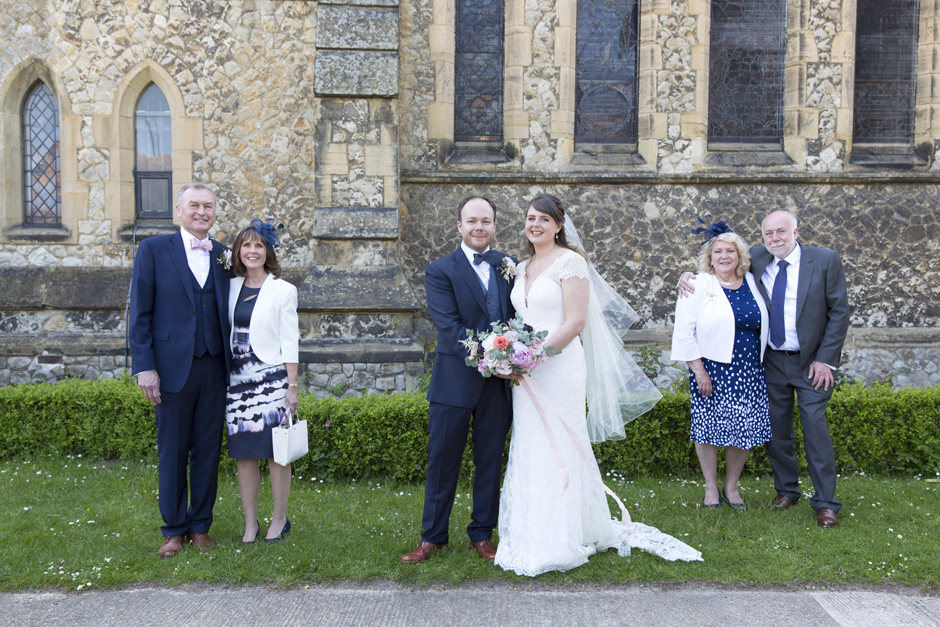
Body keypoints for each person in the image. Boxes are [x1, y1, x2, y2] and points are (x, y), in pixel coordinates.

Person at [494, 194, 701, 577]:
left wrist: (531, 358)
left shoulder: (571, 263)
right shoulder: (520, 266)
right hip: (527, 372)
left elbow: (574, 323)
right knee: (531, 443)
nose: (535, 224)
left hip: (557, 367)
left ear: (559, 226)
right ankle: (533, 532)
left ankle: (566, 535)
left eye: (544, 219)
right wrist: (508, 354)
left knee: (562, 442)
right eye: (529, 218)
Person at [678, 210, 849, 527]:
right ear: (762, 238)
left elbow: (839, 313)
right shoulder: (758, 257)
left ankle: (826, 503)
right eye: (769, 234)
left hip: (811, 363)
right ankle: (787, 491)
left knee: (814, 427)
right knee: (777, 431)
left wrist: (825, 359)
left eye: (782, 232)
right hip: (771, 361)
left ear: (796, 232)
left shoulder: (825, 260)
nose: (775, 239)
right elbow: (719, 262)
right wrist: (686, 275)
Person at [401, 195, 515, 563]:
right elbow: (449, 327)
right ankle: (432, 536)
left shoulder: (509, 266)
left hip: (498, 385)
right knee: (442, 461)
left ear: (495, 226)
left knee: (490, 460)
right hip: (454, 381)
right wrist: (489, 357)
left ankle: (482, 535)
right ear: (459, 226)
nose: (479, 227)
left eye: (486, 221)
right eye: (472, 221)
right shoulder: (440, 270)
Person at [129, 183, 232, 559]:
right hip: (171, 368)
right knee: (172, 450)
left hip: (215, 367)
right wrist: (145, 368)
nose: (201, 211)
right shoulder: (154, 250)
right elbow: (139, 314)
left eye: (208, 206)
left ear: (214, 211)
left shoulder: (224, 254)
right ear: (179, 210)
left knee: (207, 449)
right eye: (194, 205)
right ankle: (173, 529)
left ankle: (200, 525)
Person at [670, 224, 770, 510]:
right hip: (712, 370)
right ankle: (711, 488)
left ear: (740, 257)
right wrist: (698, 370)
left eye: (731, 251)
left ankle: (731, 486)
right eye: (718, 251)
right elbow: (684, 330)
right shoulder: (698, 283)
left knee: (743, 427)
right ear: (709, 257)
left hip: (749, 369)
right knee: (708, 429)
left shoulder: (751, 282)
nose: (724, 256)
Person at [225, 219, 299, 544]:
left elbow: (290, 341)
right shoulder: (229, 287)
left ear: (267, 251)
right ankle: (251, 523)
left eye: (258, 245)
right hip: (238, 380)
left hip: (271, 378)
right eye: (246, 245)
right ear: (238, 251)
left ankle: (279, 520)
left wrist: (292, 386)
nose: (252, 251)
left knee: (276, 452)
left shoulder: (284, 290)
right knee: (245, 453)